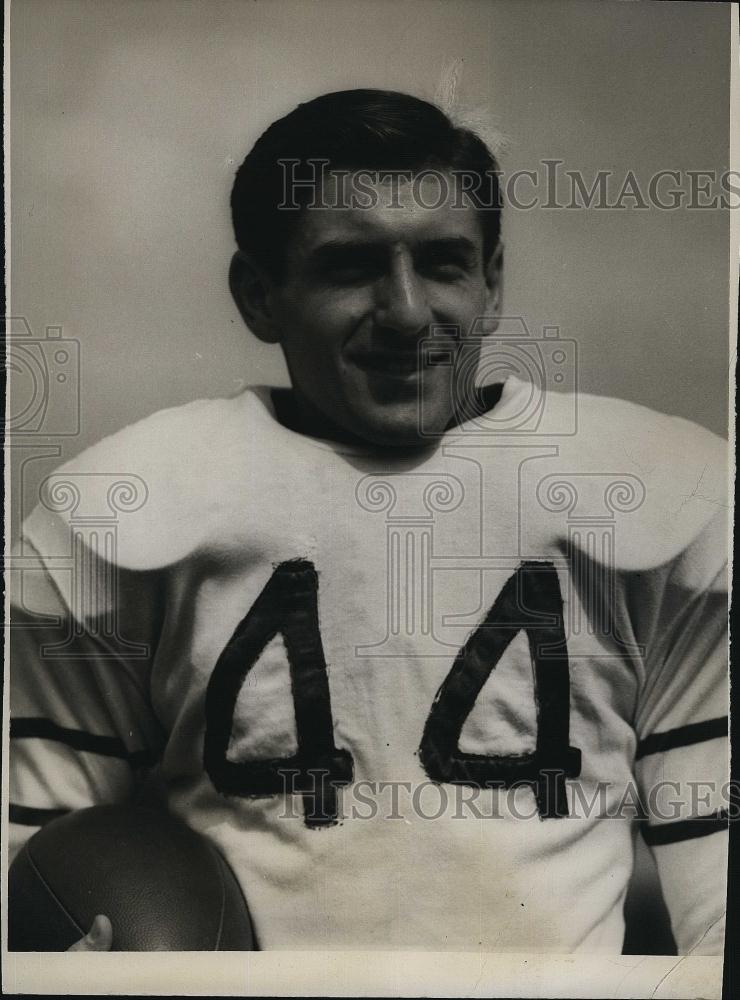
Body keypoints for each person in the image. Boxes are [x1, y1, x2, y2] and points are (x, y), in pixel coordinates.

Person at [8, 89, 729, 954]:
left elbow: (719, 882)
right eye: (351, 267)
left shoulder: (660, 494)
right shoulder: (121, 511)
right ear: (259, 295)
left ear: (493, 283)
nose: (408, 311)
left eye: (444, 262)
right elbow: (42, 853)